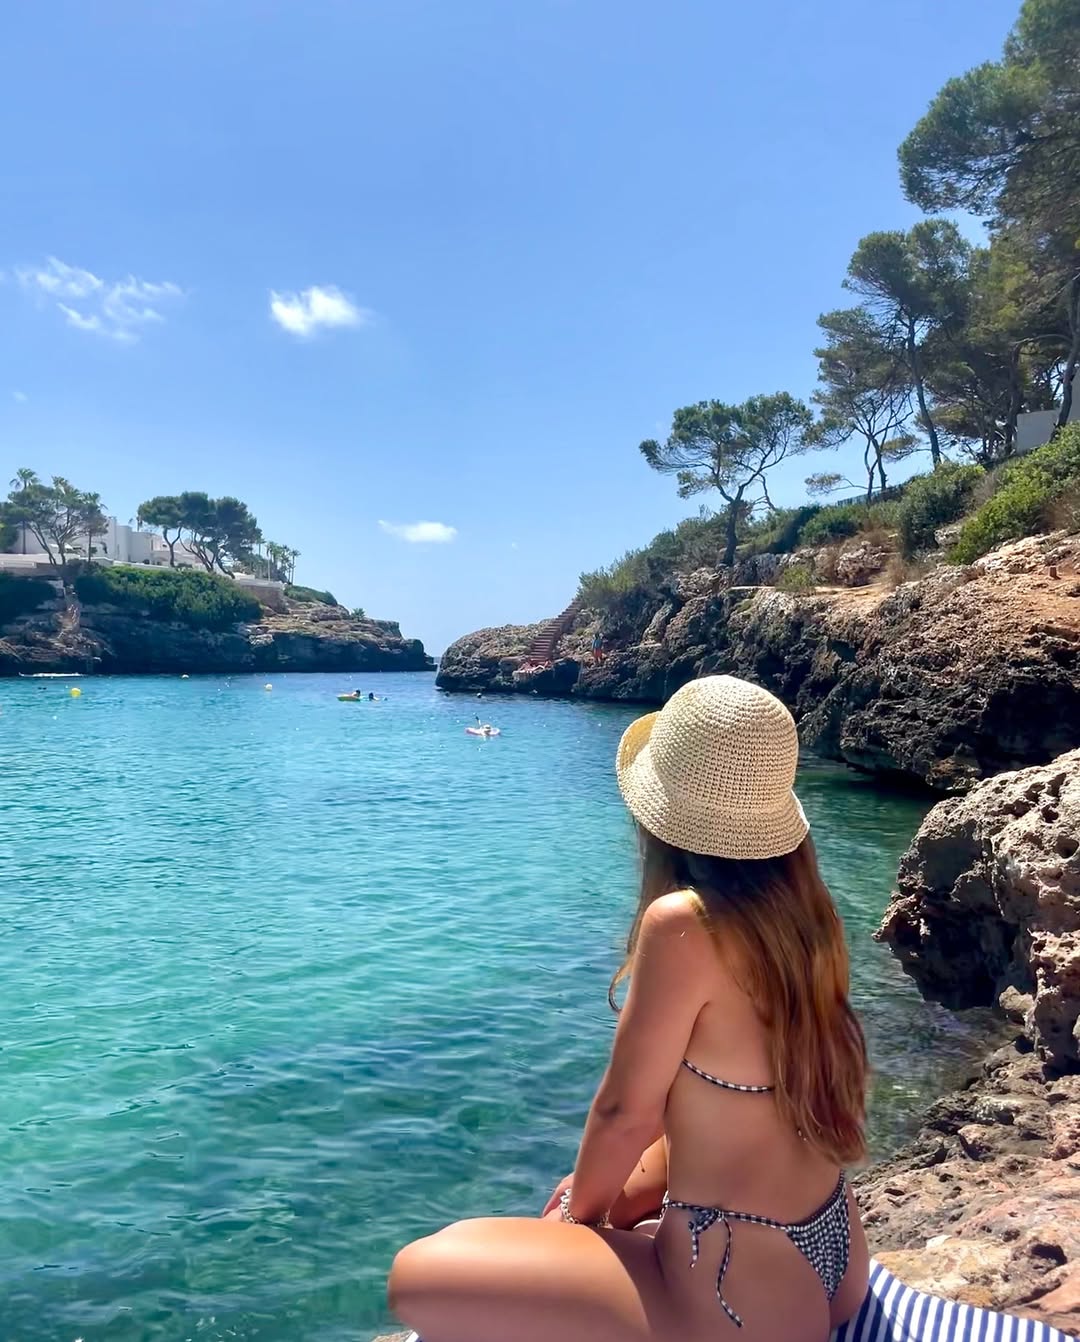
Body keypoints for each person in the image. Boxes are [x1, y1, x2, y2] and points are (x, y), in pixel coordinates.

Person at [389, 675, 870, 1342]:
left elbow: (625, 1112)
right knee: (605, 1194)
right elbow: (731, 1106)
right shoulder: (809, 913)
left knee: (419, 1275)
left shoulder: (684, 923)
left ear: (660, 818)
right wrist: (612, 1197)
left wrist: (576, 1225)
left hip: (735, 1291)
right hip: (834, 1259)